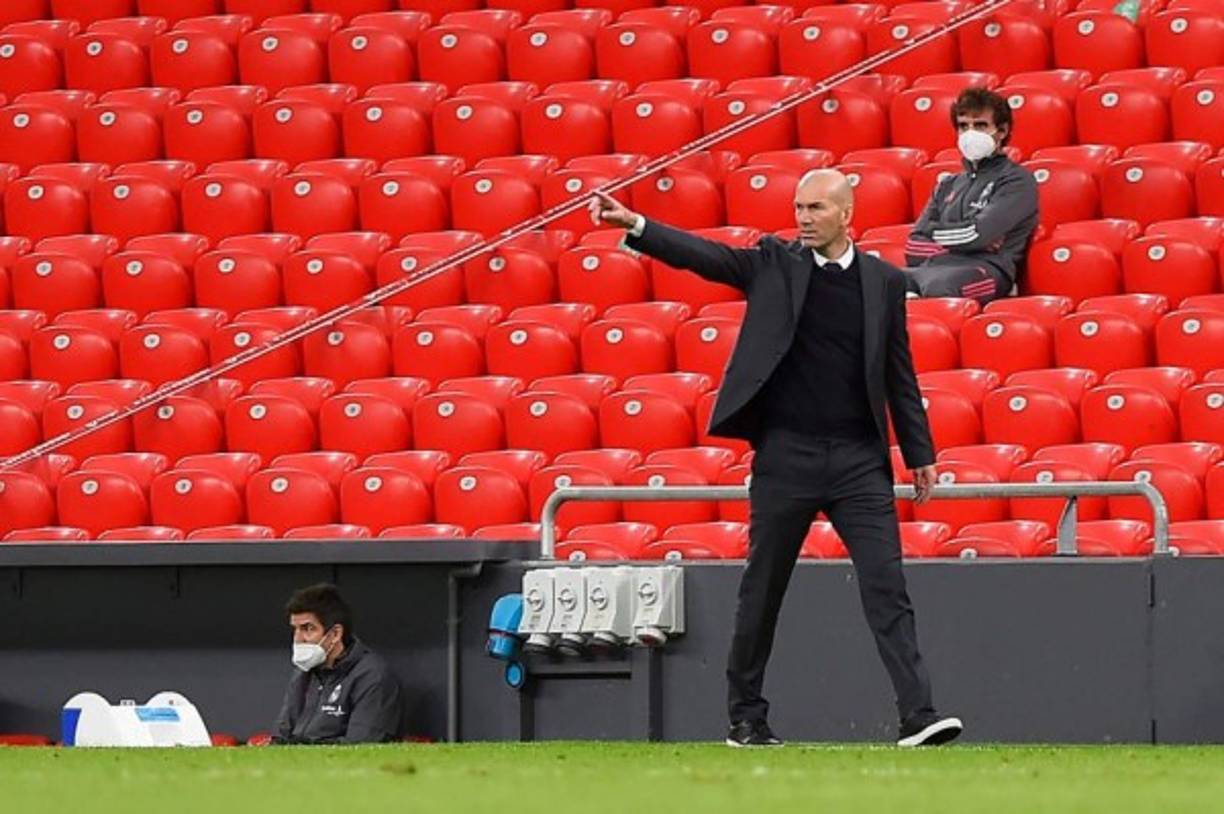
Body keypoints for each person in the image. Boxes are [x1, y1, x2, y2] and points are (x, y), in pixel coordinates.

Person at [590, 170, 962, 749]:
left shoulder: (885, 282)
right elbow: (705, 257)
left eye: (815, 207)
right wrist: (638, 226)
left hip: (860, 460)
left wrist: (920, 454)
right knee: (762, 590)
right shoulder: (772, 262)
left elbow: (898, 374)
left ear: (846, 214)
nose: (804, 217)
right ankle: (746, 718)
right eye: (798, 206)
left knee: (887, 585)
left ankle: (919, 716)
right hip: (786, 454)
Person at [904, 86, 1039, 304]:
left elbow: (977, 234)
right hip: (935, 267)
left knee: (940, 287)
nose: (970, 133)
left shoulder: (1017, 181)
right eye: (963, 126)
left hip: (988, 270)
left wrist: (936, 233)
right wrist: (964, 237)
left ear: (1002, 131)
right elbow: (913, 246)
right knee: (873, 284)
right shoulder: (947, 184)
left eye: (980, 126)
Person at [272, 583, 404, 744]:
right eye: (295, 629)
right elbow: (281, 735)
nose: (298, 639)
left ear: (335, 634)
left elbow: (361, 745)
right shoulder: (303, 672)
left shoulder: (374, 676)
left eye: (307, 628)